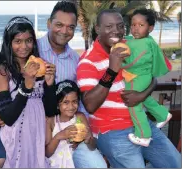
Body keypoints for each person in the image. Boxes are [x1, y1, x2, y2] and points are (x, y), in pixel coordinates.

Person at [0, 2, 107, 168]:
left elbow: (54, 107)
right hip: (18, 134)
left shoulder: (67, 60)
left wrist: (50, 85)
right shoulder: (6, 67)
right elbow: (7, 112)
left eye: (70, 27)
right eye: (59, 24)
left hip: (42, 133)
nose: (24, 46)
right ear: (49, 24)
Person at [77, 9, 181, 168]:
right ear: (97, 29)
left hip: (141, 124)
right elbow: (90, 105)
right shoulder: (88, 61)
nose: (116, 31)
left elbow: (152, 76)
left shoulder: (131, 44)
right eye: (109, 26)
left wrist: (142, 95)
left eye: (120, 26)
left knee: (175, 163)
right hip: (112, 131)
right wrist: (112, 70)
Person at [0, 16, 56, 168]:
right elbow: (7, 117)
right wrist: (26, 85)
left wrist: (50, 84)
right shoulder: (2, 69)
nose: (24, 46)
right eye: (17, 41)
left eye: (29, 40)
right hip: (15, 137)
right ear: (9, 43)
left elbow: (51, 110)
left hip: (36, 136)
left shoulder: (40, 66)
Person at [122, 9, 172, 147]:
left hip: (135, 77)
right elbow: (131, 41)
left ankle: (143, 135)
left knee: (133, 105)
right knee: (145, 98)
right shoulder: (147, 40)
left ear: (150, 28)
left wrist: (119, 62)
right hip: (144, 78)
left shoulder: (142, 44)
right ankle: (162, 114)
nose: (135, 28)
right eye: (133, 25)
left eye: (140, 25)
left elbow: (132, 62)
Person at [46, 80, 96, 168]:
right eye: (66, 102)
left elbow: (92, 147)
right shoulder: (51, 121)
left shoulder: (80, 117)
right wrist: (58, 136)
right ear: (57, 104)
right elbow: (47, 153)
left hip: (76, 163)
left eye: (75, 101)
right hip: (56, 164)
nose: (71, 106)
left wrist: (88, 140)